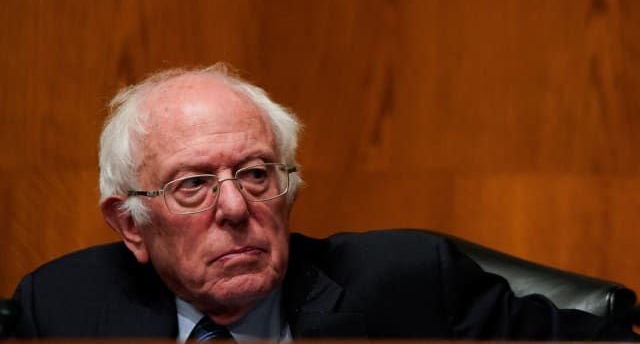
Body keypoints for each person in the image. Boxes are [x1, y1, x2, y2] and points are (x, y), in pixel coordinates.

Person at [10, 64, 638, 341]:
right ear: (131, 224)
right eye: (192, 185)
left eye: (255, 174)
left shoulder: (411, 284)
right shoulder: (62, 307)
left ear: (289, 190)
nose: (233, 207)